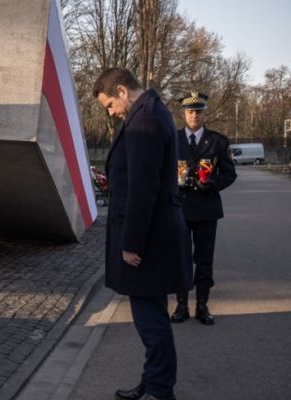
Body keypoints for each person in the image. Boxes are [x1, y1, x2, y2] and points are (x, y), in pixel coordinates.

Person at [93, 68, 192, 400]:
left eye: (109, 105)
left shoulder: (144, 120)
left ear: (122, 91)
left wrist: (132, 242)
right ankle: (153, 381)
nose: (111, 112)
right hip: (157, 235)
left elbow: (143, 189)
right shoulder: (148, 113)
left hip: (148, 240)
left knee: (151, 323)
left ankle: (161, 392)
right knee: (151, 317)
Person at [170, 91, 237, 326]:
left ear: (204, 113)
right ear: (184, 113)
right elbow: (161, 171)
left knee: (204, 259)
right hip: (179, 208)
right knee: (180, 258)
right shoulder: (172, 139)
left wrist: (212, 184)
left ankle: (202, 305)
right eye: (190, 111)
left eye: (198, 111)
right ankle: (181, 305)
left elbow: (230, 174)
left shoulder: (218, 141)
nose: (194, 116)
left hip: (206, 209)